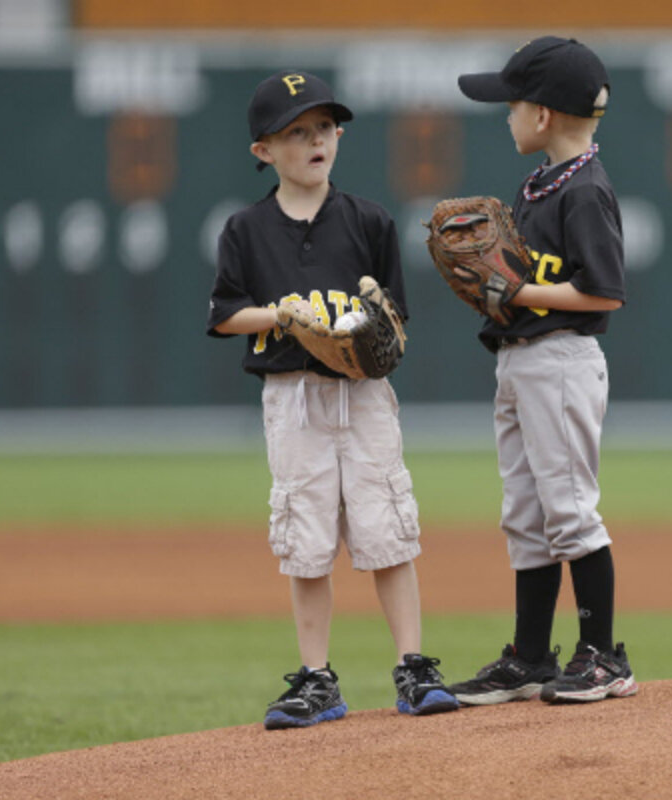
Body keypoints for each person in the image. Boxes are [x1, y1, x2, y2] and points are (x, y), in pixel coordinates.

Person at [205, 70, 459, 725]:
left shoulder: (369, 221)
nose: (316, 140)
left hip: (364, 394)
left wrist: (372, 333)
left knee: (387, 530)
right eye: (297, 132)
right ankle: (317, 679)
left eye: (324, 127)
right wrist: (284, 318)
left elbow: (394, 321)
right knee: (306, 539)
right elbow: (226, 314)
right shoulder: (245, 229)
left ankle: (413, 666)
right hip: (292, 398)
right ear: (264, 150)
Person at [446, 36, 638, 704]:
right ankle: (530, 656)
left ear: (544, 114)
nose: (507, 115)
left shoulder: (584, 190)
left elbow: (605, 291)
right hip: (520, 359)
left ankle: (604, 656)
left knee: (570, 511)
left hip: (560, 360)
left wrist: (519, 292)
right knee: (525, 515)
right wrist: (506, 295)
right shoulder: (540, 183)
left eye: (512, 104)